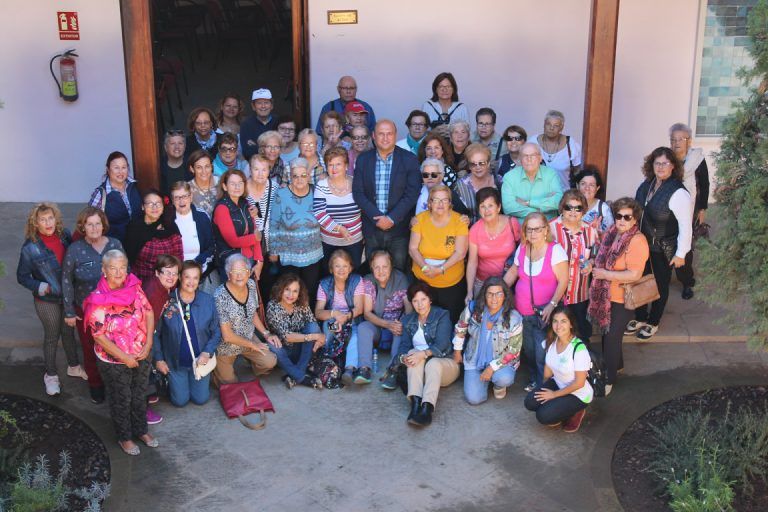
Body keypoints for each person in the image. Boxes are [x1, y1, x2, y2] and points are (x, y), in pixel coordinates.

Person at [83, 249, 157, 455]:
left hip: (142, 352)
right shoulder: (98, 299)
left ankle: (141, 430)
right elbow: (98, 336)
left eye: (122, 267)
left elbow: (149, 312)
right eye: (113, 268)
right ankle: (125, 437)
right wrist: (125, 358)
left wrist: (149, 342)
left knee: (140, 394)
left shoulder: (134, 287)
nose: (118, 273)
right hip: (114, 360)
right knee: (121, 398)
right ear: (103, 270)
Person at [17, 203, 85, 396]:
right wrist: (39, 286)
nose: (48, 223)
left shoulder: (65, 235)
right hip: (47, 299)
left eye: (50, 218)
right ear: (35, 224)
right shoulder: (30, 247)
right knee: (52, 335)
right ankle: (51, 375)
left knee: (69, 332)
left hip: (67, 294)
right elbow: (22, 276)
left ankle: (73, 365)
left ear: (56, 219)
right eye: (43, 220)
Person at [626, 147, 692, 341]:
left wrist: (681, 254)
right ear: (651, 165)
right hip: (641, 245)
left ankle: (653, 322)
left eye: (665, 163)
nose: (661, 167)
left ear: (673, 166)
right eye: (657, 163)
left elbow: (685, 226)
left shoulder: (679, 192)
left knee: (659, 286)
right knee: (638, 280)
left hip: (662, 248)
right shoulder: (646, 185)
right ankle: (639, 317)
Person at [62, 207, 124, 403]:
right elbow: (66, 280)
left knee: (117, 348)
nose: (94, 228)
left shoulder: (114, 244)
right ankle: (96, 384)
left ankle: (117, 385)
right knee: (90, 350)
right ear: (83, 227)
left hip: (115, 311)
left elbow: (127, 273)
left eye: (98, 223)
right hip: (87, 311)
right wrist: (69, 311)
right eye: (90, 224)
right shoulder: (75, 249)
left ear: (103, 225)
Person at [589, 198, 648, 394]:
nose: (621, 220)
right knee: (608, 335)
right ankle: (618, 365)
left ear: (634, 219)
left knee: (611, 338)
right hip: (608, 298)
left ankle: (608, 379)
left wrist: (605, 274)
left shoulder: (637, 240)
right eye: (618, 216)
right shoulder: (612, 233)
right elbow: (602, 252)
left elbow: (634, 274)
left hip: (623, 298)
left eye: (626, 217)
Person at [503, 212, 569, 391]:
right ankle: (535, 378)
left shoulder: (555, 250)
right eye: (529, 229)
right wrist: (497, 290)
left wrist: (552, 305)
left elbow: (563, 280)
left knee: (542, 353)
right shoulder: (523, 248)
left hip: (544, 314)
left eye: (537, 229)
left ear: (545, 229)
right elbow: (513, 273)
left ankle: (543, 386)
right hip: (522, 311)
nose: (533, 233)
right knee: (529, 350)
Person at [352, 120, 421, 271]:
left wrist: (391, 218)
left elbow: (412, 193)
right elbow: (358, 193)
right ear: (373, 136)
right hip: (372, 228)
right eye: (381, 134)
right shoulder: (363, 159)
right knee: (373, 272)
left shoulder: (409, 159)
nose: (385, 138)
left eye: (389, 134)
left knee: (398, 271)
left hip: (398, 230)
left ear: (395, 136)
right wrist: (377, 217)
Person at [154, 260, 221, 406]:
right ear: (180, 277)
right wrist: (159, 359)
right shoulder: (167, 301)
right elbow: (155, 332)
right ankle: (170, 382)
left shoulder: (208, 301)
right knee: (180, 401)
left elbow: (216, 331)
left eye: (195, 277)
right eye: (187, 277)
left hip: (199, 362)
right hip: (175, 362)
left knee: (201, 399)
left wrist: (207, 352)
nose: (191, 282)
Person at [394, 282, 457, 427]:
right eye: (415, 301)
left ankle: (426, 409)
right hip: (420, 372)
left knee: (431, 362)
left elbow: (443, 344)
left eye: (423, 299)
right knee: (411, 354)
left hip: (445, 365)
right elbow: (403, 347)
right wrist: (403, 358)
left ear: (430, 299)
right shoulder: (408, 320)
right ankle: (415, 404)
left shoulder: (441, 315)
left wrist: (423, 354)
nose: (419, 304)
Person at [453, 277, 523, 404]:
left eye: (498, 294)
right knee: (474, 399)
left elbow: (514, 350)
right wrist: (457, 351)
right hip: (474, 358)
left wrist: (491, 368)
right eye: (490, 294)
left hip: (501, 361)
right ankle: (484, 379)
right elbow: (460, 327)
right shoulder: (473, 308)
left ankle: (498, 384)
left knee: (505, 378)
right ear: (484, 295)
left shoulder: (514, 318)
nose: (494, 298)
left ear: (505, 296)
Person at [524, 306, 592, 433]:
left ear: (571, 324)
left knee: (543, 416)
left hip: (578, 393)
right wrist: (543, 388)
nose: (558, 325)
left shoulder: (579, 349)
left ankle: (577, 411)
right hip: (558, 383)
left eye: (563, 321)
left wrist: (553, 395)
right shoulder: (551, 341)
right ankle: (558, 408)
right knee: (530, 402)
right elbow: (548, 368)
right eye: (555, 321)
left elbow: (579, 383)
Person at [213, 254, 277, 384]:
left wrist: (265, 333)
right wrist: (253, 345)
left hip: (248, 336)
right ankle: (217, 370)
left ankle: (249, 359)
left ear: (248, 272)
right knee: (229, 384)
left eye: (243, 271)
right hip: (226, 347)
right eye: (235, 272)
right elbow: (227, 336)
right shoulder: (219, 296)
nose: (239, 275)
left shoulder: (251, 284)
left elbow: (252, 312)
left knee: (270, 362)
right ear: (228, 274)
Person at [409, 185, 469, 323]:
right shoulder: (420, 219)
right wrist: (425, 267)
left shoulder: (459, 221)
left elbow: (460, 252)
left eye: (444, 200)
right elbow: (412, 249)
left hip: (451, 284)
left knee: (449, 321)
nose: (440, 204)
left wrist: (441, 269)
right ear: (429, 203)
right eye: (436, 200)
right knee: (424, 320)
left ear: (450, 203)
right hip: (423, 282)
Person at [270, 158, 324, 303]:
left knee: (309, 290)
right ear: (290, 177)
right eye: (295, 176)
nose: (299, 179)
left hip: (313, 253)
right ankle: (289, 321)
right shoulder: (281, 195)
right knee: (288, 292)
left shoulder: (316, 192)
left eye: (303, 175)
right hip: (289, 254)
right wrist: (274, 251)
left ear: (308, 175)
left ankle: (309, 322)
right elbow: (273, 225)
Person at [549, 190, 598, 344]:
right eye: (569, 207)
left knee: (581, 333)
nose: (573, 212)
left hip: (580, 293)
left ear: (583, 211)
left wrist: (591, 263)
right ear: (562, 208)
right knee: (556, 334)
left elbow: (597, 255)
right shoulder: (550, 229)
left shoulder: (590, 230)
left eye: (578, 208)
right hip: (555, 292)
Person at [359, 250, 412, 390]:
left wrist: (401, 324)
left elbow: (409, 309)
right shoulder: (368, 280)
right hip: (378, 325)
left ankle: (393, 370)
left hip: (395, 327)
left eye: (385, 266)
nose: (381, 271)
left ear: (391, 266)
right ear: (371, 267)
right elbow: (367, 314)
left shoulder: (401, 279)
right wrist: (387, 324)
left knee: (401, 328)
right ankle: (364, 368)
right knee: (363, 327)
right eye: (377, 267)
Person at [669, 122, 710, 300]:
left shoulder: (696, 159)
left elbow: (705, 184)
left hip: (690, 208)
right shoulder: (666, 158)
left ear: (689, 141)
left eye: (681, 139)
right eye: (673, 139)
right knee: (669, 240)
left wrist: (702, 209)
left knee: (685, 244)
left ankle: (686, 281)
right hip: (669, 208)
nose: (677, 142)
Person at [314, 250, 367, 384]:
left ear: (350, 268)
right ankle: (328, 358)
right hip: (334, 320)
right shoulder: (324, 284)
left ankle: (349, 369)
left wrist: (346, 317)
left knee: (355, 334)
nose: (341, 270)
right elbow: (318, 312)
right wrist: (334, 314)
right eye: (337, 266)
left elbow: (359, 308)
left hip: (352, 319)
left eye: (345, 266)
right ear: (331, 269)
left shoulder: (357, 280)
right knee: (328, 325)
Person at [265, 274, 325, 389]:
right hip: (284, 351)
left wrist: (318, 337)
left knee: (312, 326)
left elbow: (312, 323)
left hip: (302, 350)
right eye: (287, 289)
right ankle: (301, 377)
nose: (290, 295)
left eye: (295, 291)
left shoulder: (302, 303)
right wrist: (313, 336)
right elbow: (287, 336)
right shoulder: (273, 306)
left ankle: (295, 373)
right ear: (280, 289)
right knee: (271, 346)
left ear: (299, 293)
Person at [465, 187, 521, 302]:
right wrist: (469, 291)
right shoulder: (475, 230)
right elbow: (472, 262)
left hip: (509, 280)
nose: (487, 210)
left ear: (498, 207)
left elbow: (521, 252)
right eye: (482, 206)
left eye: (490, 206)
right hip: (482, 283)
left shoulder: (512, 223)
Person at [313, 147, 363, 271]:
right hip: (329, 242)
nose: (334, 169)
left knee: (353, 275)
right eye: (330, 165)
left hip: (354, 241)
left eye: (338, 164)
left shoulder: (356, 182)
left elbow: (364, 208)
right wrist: (339, 228)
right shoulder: (322, 185)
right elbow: (319, 212)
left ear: (346, 166)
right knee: (330, 276)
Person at [212, 169, 263, 283]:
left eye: (240, 183)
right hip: (231, 263)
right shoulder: (222, 208)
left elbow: (255, 233)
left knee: (251, 298)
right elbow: (233, 241)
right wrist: (254, 238)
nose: (237, 187)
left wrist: (259, 261)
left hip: (249, 261)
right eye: (232, 183)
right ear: (225, 186)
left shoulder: (246, 203)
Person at [124, 190, 183, 282]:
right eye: (150, 204)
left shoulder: (170, 226)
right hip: (141, 282)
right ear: (143, 207)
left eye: (158, 204)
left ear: (163, 207)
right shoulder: (135, 228)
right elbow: (129, 259)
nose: (154, 207)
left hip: (167, 282)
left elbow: (178, 257)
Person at [501, 142, 563, 221]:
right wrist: (539, 210)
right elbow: (509, 207)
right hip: (520, 229)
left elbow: (559, 201)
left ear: (540, 158)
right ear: (520, 159)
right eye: (525, 156)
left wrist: (528, 203)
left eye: (533, 155)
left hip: (548, 228)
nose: (529, 159)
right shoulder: (509, 177)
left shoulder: (551, 174)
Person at [88, 151, 142, 241]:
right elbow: (90, 221)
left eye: (124, 167)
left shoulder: (135, 186)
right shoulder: (100, 194)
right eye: (116, 168)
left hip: (137, 242)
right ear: (108, 169)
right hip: (114, 245)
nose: (121, 172)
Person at [246, 154, 279, 296]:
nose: (260, 174)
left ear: (269, 170)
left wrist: (275, 249)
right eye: (256, 169)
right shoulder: (242, 188)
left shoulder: (274, 187)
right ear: (250, 169)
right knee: (249, 283)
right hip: (247, 243)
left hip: (268, 244)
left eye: (264, 170)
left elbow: (279, 220)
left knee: (268, 284)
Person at [170, 181, 215, 274]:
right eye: (177, 198)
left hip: (200, 268)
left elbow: (211, 247)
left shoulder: (201, 217)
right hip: (175, 271)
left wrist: (197, 263)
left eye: (185, 196)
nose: (181, 201)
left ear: (191, 197)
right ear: (172, 201)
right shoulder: (168, 220)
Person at [533, 110, 582, 191]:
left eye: (556, 125)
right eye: (548, 124)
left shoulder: (571, 144)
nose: (551, 128)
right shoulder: (533, 142)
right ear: (544, 124)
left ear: (561, 127)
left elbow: (577, 170)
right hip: (538, 194)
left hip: (564, 194)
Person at [454, 143, 498, 223]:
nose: (478, 167)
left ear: (488, 164)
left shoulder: (499, 182)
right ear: (469, 166)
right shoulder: (460, 186)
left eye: (481, 163)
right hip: (469, 231)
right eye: (473, 164)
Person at [241, 88, 279, 161]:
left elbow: (282, 148)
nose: (263, 106)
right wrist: (272, 148)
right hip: (255, 165)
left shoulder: (278, 122)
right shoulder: (246, 124)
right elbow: (247, 152)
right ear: (253, 106)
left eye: (266, 102)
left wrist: (257, 146)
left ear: (271, 105)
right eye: (259, 103)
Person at [576, 167, 614, 235]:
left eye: (591, 185)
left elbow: (611, 235)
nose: (587, 188)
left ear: (597, 188)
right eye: (583, 183)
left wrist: (598, 233)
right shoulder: (570, 205)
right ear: (577, 185)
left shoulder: (603, 209)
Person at [159, 130, 192, 198]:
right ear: (165, 147)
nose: (177, 146)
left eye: (180, 143)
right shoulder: (159, 166)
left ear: (185, 146)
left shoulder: (192, 164)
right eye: (172, 143)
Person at [187, 149, 219, 217]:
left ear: (211, 166)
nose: (204, 171)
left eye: (207, 166)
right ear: (192, 169)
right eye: (199, 167)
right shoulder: (187, 189)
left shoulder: (221, 183)